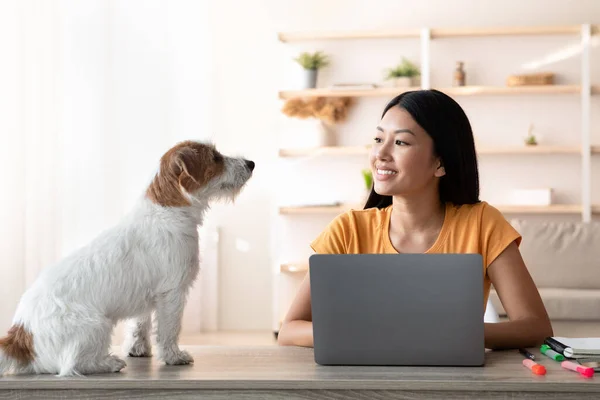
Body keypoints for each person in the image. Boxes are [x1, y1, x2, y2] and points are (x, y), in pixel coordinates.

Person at [277, 89, 553, 350]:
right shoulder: (348, 230)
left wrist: (452, 335)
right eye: (378, 139)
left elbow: (536, 327)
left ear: (440, 163)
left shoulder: (482, 224)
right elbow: (290, 331)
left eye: (400, 142)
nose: (380, 155)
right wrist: (364, 335)